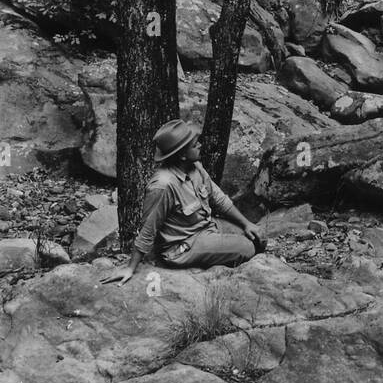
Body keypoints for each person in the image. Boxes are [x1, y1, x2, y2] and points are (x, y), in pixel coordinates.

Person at [101, 119, 264, 284]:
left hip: (206, 226)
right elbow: (147, 230)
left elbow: (219, 199)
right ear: (182, 155)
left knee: (258, 237)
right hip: (183, 245)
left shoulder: (195, 167)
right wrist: (130, 268)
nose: (200, 145)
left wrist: (246, 224)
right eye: (194, 145)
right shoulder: (163, 186)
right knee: (247, 248)